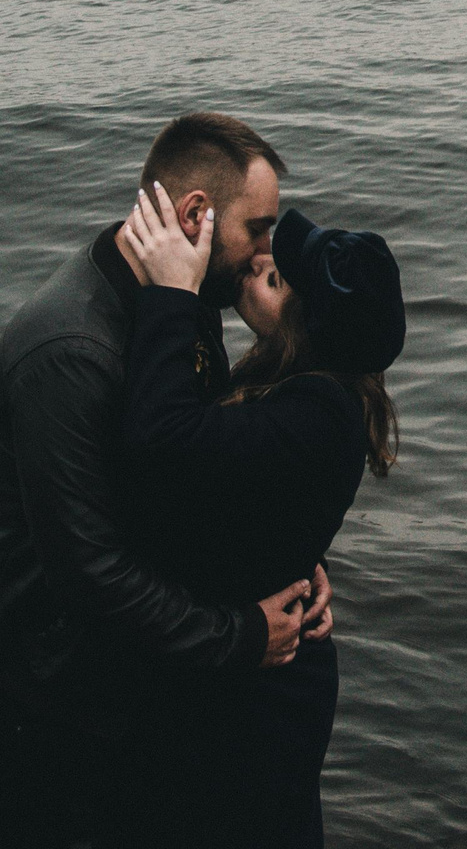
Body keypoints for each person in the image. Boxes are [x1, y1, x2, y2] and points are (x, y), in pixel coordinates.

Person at [0, 113, 328, 849]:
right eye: (258, 227)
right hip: (48, 700)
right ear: (195, 215)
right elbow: (86, 573)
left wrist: (289, 568)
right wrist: (241, 633)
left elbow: (192, 483)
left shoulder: (174, 303)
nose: (266, 250)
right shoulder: (71, 354)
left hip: (118, 670)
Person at [117, 182, 405, 849]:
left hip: (263, 701)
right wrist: (304, 559)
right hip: (267, 672)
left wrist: (172, 292)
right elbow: (258, 495)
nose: (255, 265)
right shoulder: (307, 395)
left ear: (304, 325)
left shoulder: (312, 415)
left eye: (274, 278)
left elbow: (162, 439)